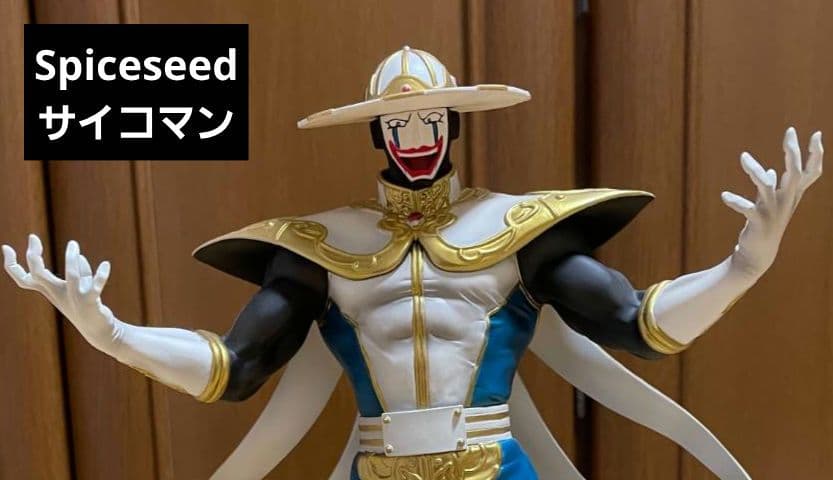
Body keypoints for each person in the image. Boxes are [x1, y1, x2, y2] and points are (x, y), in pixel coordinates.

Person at [3, 46, 823, 480]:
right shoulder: (321, 246)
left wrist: (740, 268)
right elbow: (237, 366)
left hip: (495, 468)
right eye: (400, 123)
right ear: (378, 133)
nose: (417, 136)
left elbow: (632, 323)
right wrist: (114, 336)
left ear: (452, 123)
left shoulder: (518, 229)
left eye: (430, 119)